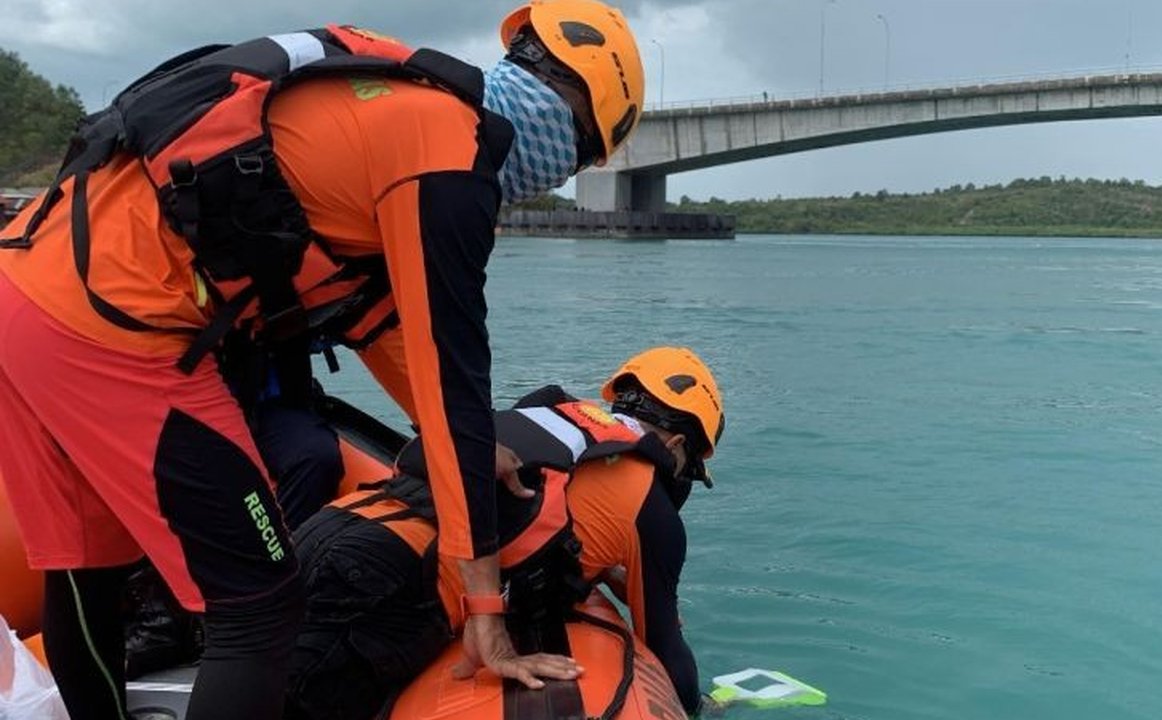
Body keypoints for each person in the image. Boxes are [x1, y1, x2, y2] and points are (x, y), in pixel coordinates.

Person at [0, 2, 645, 718]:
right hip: (117, 328)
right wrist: (486, 608)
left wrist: (469, 445)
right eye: (578, 154)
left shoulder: (391, 109)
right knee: (261, 605)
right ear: (572, 112)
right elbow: (453, 374)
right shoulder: (449, 156)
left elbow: (380, 324)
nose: (558, 173)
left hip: (24, 288)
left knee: (87, 568)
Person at [283, 346, 725, 719]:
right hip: (391, 586)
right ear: (675, 447)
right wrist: (698, 706)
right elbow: (666, 644)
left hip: (330, 528)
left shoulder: (546, 410)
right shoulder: (654, 510)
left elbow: (522, 507)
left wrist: (602, 568)